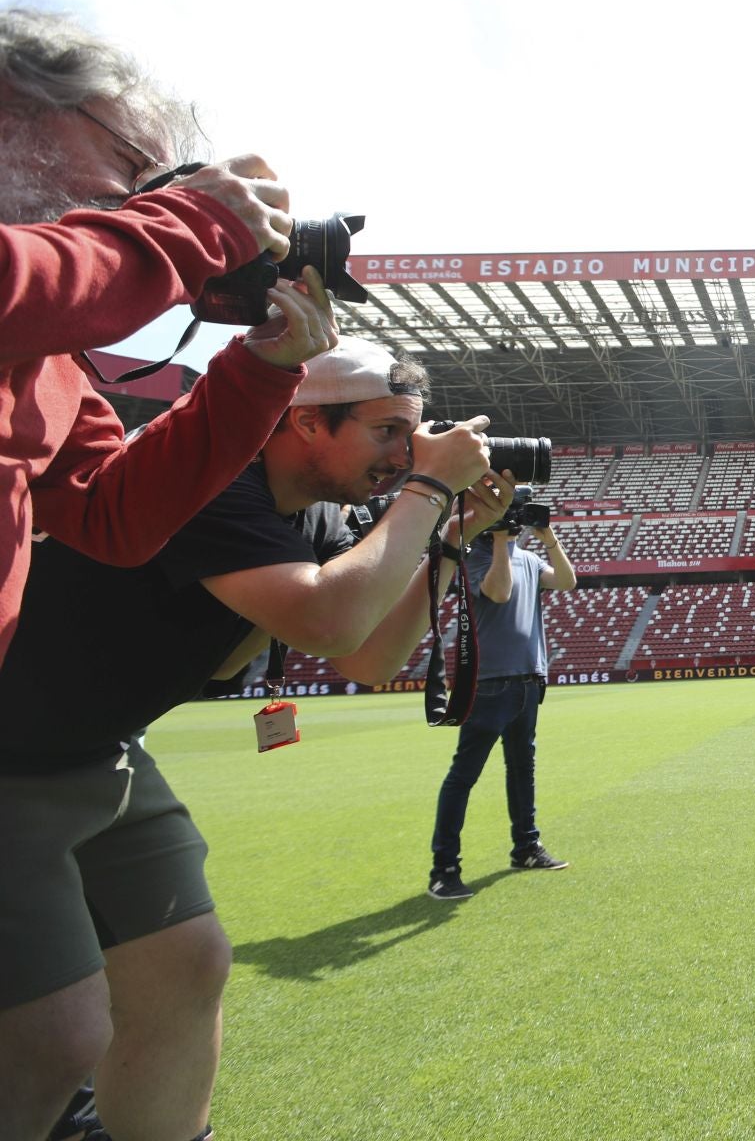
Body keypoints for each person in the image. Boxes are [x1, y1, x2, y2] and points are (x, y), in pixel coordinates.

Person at [0, 336, 510, 1141]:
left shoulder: (315, 511)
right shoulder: (213, 477)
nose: (402, 454)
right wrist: (427, 490)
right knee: (52, 1033)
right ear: (304, 422)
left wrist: (447, 535)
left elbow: (367, 653)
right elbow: (329, 616)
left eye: (409, 436)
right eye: (386, 431)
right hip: (12, 751)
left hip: (96, 745)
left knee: (187, 963)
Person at [1, 6, 309, 671]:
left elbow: (116, 517)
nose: (131, 198)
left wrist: (259, 369)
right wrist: (192, 221)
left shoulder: (50, 364)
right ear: (10, 111)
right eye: (129, 160)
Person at [427, 497, 578, 899]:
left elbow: (566, 581)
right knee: (464, 775)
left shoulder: (529, 559)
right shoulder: (473, 555)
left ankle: (526, 846)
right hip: (489, 681)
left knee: (522, 768)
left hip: (528, 679)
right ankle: (444, 868)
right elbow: (498, 592)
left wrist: (547, 537)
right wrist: (497, 542)